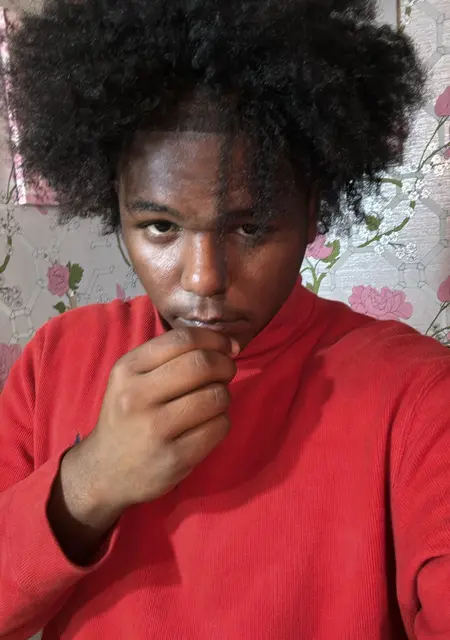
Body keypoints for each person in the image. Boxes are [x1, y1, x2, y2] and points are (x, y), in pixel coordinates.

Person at [0, 0, 446, 638]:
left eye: (251, 227)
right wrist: (89, 482)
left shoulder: (417, 393)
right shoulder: (56, 358)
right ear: (114, 206)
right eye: (161, 226)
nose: (203, 278)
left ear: (312, 213)